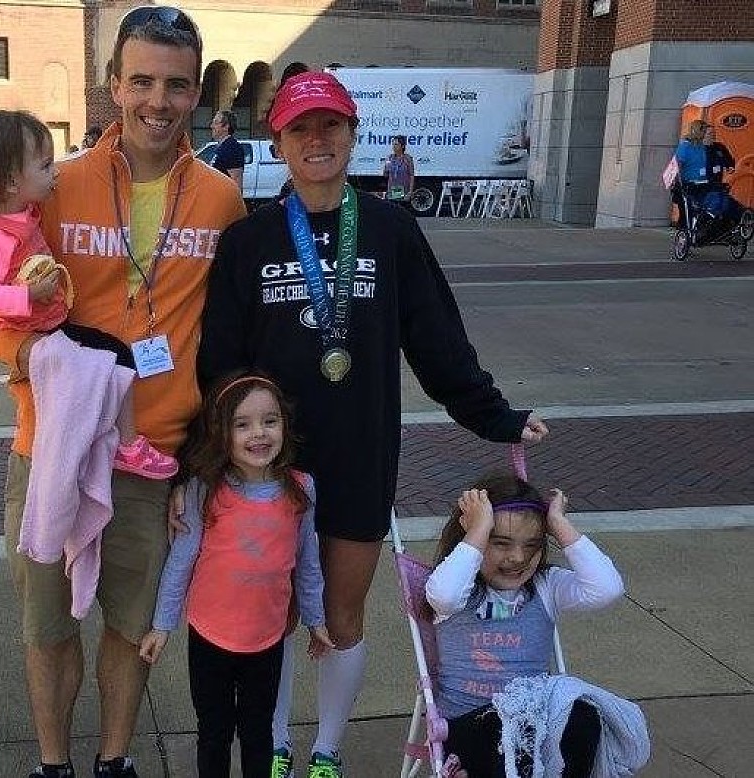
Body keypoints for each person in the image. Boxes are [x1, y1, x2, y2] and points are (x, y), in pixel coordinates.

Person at [196, 69, 548, 778]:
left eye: (330, 124)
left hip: (359, 454)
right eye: (300, 128)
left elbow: (436, 338)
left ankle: (326, 750)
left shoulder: (390, 229)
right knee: (274, 616)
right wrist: (210, 465)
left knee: (343, 615)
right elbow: (221, 366)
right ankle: (275, 744)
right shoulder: (248, 241)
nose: (316, 139)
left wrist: (494, 416)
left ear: (353, 134)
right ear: (278, 142)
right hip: (270, 465)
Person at [0, 6, 247, 777]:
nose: (158, 101)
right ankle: (54, 764)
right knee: (48, 627)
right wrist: (26, 355)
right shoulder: (55, 184)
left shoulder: (220, 200)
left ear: (197, 94)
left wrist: (204, 459)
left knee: (129, 627)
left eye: (176, 85)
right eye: (141, 81)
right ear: (114, 85)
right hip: (50, 447)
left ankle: (115, 761)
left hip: (151, 458)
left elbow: (232, 332)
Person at [0, 109, 177, 479]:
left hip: (49, 326)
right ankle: (126, 445)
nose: (55, 173)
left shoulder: (20, 213)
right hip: (41, 333)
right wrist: (28, 297)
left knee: (112, 360)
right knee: (116, 358)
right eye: (45, 166)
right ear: (11, 181)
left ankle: (121, 443)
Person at [139, 372, 332, 778]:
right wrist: (162, 625)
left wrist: (316, 620)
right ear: (221, 432)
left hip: (266, 640)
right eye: (242, 424)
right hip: (209, 637)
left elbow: (308, 564)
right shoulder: (203, 490)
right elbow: (181, 560)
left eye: (269, 421)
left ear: (284, 424)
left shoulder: (301, 490)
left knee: (259, 733)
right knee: (214, 732)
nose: (258, 433)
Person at [426, 472, 635, 777]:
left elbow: (607, 589)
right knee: (516, 734)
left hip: (533, 725)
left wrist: (559, 525)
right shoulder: (457, 591)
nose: (518, 557)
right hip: (469, 725)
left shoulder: (546, 586)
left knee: (583, 716)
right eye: (500, 543)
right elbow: (444, 595)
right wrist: (479, 528)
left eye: (532, 545)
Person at [209, 109, 245, 190]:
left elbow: (236, 183)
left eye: (215, 123)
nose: (211, 126)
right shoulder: (222, 146)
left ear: (226, 127)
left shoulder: (232, 148)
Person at [383, 135, 414, 206]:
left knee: (402, 210)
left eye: (396, 144)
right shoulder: (390, 158)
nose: (394, 147)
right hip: (392, 192)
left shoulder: (408, 159)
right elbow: (385, 175)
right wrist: (386, 168)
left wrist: (410, 192)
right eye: (393, 144)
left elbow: (411, 176)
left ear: (402, 146)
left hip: (404, 192)